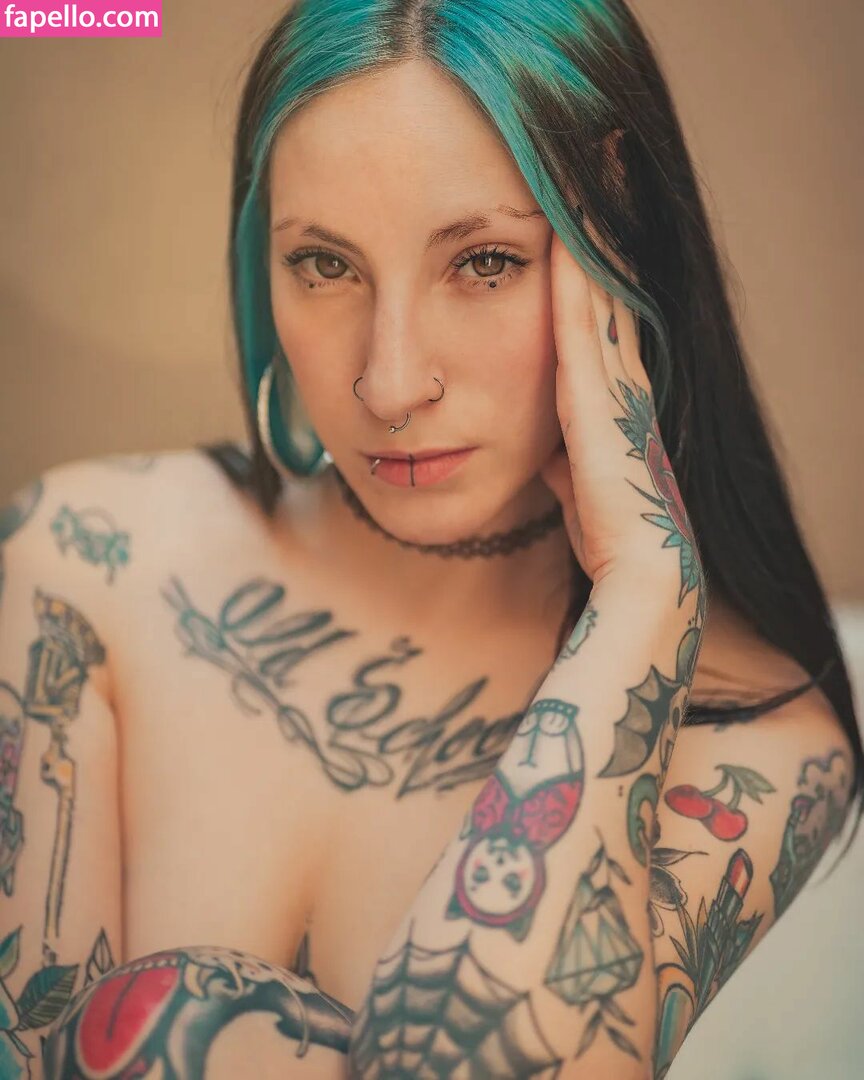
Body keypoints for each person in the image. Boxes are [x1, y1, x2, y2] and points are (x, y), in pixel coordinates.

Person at [0, 1, 860, 1077]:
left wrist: (645, 596)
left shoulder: (758, 739)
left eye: (484, 262)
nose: (390, 383)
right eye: (325, 265)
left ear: (618, 250)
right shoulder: (84, 563)